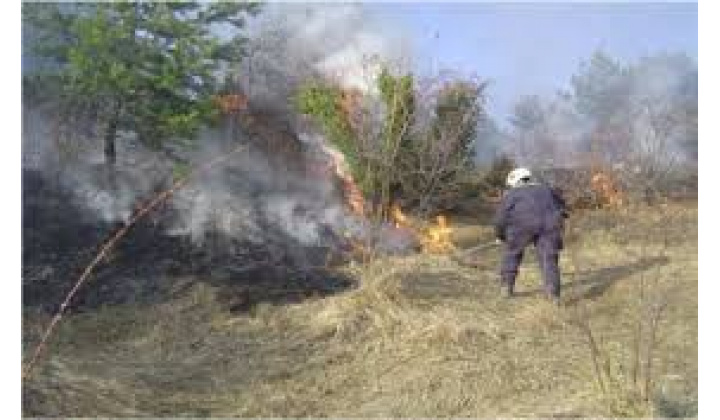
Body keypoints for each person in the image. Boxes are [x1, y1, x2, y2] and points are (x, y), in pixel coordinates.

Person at [493, 167, 568, 305]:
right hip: (550, 226)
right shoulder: (547, 189)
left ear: (515, 181)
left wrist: (500, 235)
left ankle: (506, 288)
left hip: (521, 226)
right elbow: (562, 206)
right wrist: (561, 216)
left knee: (512, 254)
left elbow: (500, 219)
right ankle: (553, 294)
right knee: (548, 258)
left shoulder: (512, 194)